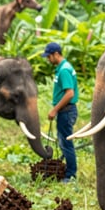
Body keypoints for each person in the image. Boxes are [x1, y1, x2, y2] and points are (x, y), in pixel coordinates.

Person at [42, 41, 79, 183]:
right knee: (64, 142)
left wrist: (54, 109)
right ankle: (67, 170)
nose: (48, 59)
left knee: (66, 143)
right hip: (65, 111)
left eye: (49, 56)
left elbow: (69, 93)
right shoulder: (63, 67)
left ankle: (70, 175)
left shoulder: (64, 70)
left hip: (66, 111)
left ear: (56, 54)